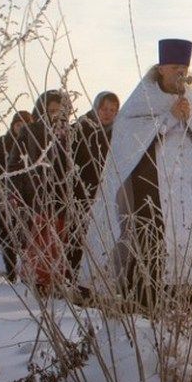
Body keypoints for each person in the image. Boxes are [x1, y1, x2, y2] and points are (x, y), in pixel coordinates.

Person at [80, 39, 192, 313]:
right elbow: (128, 140)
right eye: (174, 67)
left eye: (184, 66)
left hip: (187, 193)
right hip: (150, 189)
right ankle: (145, 302)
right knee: (149, 242)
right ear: (161, 68)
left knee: (185, 241)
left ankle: (187, 302)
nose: (180, 72)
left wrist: (191, 119)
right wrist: (169, 118)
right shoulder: (141, 100)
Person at [8, 91, 74, 290]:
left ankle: (57, 280)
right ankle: (38, 282)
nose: (54, 115)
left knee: (60, 238)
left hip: (63, 194)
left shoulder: (68, 132)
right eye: (51, 110)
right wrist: (15, 192)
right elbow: (14, 164)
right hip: (37, 193)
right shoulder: (31, 130)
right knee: (40, 238)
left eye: (59, 111)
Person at [68, 91, 119, 274]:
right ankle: (72, 277)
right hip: (80, 193)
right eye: (104, 109)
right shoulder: (80, 129)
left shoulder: (117, 134)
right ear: (96, 108)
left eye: (113, 110)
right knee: (77, 236)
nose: (108, 113)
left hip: (104, 194)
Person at [0, 110, 34, 279]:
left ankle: (27, 271)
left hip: (27, 197)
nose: (21, 128)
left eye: (26, 125)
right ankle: (11, 270)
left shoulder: (32, 143)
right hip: (5, 194)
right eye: (18, 125)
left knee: (26, 235)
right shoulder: (2, 143)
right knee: (6, 233)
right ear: (13, 125)